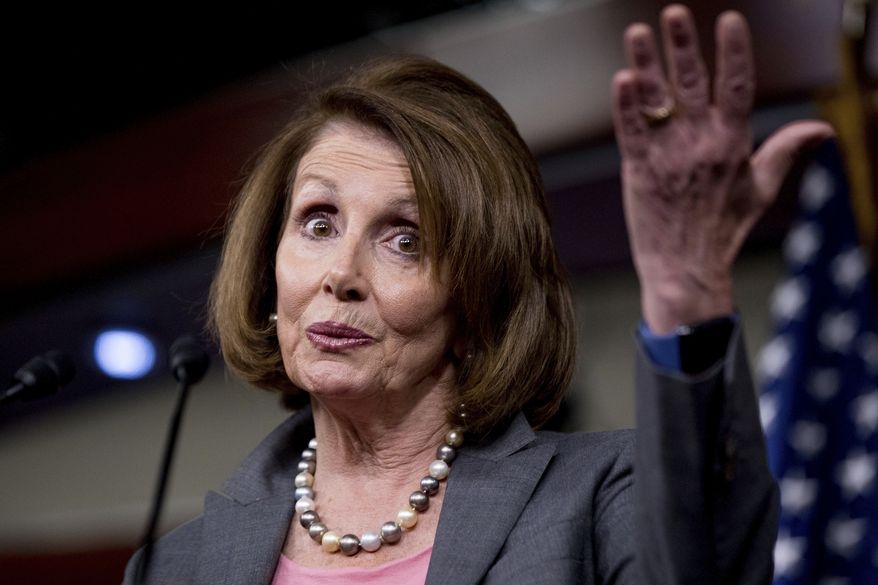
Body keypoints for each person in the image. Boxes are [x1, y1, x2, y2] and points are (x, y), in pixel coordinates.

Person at [124, 4, 833, 584]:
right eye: (318, 221)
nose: (340, 273)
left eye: (405, 238)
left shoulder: (599, 498)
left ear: (477, 299)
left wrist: (686, 291)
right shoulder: (171, 568)